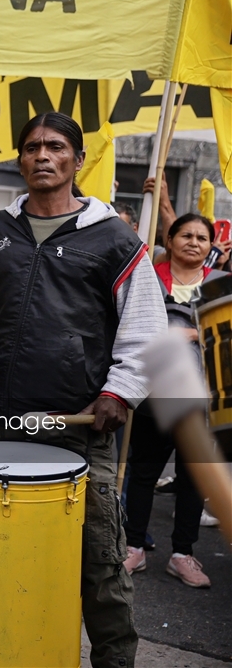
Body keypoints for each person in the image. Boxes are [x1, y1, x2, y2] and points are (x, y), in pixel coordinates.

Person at [0, 112, 167, 668]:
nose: (42, 155)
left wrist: (119, 392)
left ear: (77, 158)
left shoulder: (115, 239)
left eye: (56, 146)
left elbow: (144, 329)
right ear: (20, 160)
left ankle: (115, 660)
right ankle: (9, 651)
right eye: (32, 147)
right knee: (0, 550)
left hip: (78, 430)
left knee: (100, 565)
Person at [123, 213, 224, 588]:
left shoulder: (221, 286)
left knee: (193, 478)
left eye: (202, 237)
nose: (194, 242)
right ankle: (133, 547)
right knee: (144, 473)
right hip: (154, 396)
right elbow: (130, 324)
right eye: (186, 235)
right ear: (171, 237)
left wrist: (194, 333)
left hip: (203, 399)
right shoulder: (149, 278)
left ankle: (183, 554)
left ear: (211, 246)